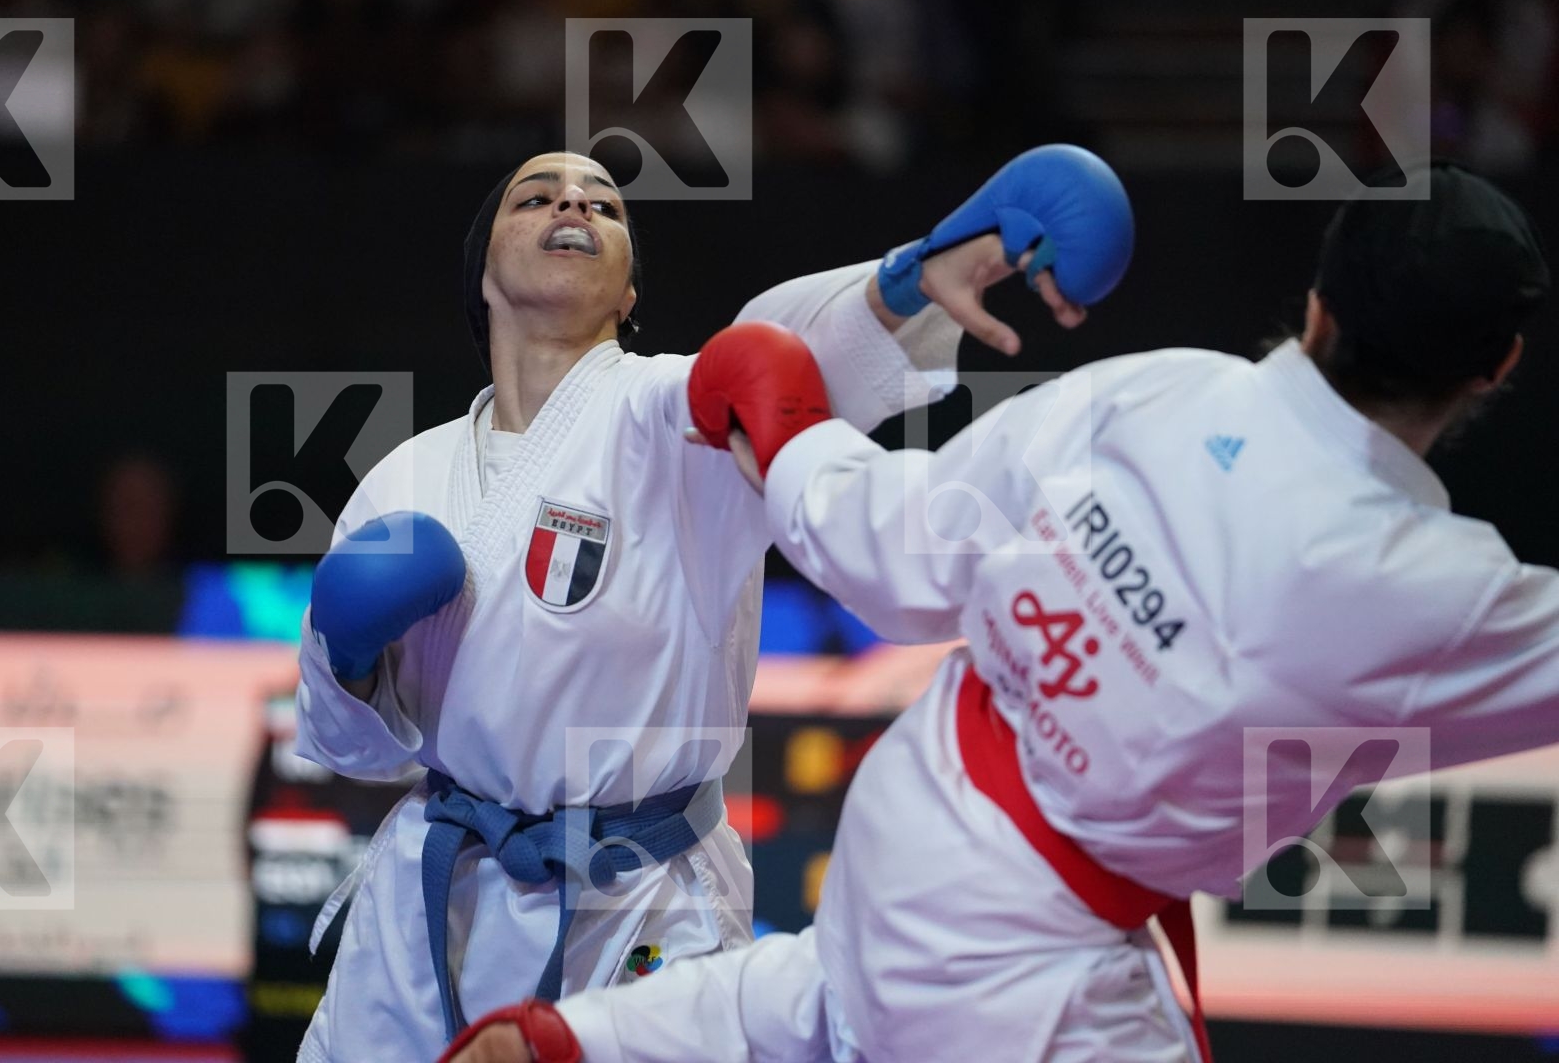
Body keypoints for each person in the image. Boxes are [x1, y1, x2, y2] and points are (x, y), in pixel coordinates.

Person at [443, 160, 1559, 1063]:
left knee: (843, 1003)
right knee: (877, 1001)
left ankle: (586, 1039)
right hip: (1025, 966)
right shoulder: (1446, 597)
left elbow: (888, 554)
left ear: (1317, 302)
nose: (570, 210)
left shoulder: (1164, 388)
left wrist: (787, 428)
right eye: (537, 195)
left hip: (906, 834)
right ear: (1498, 367)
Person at [293, 146, 1129, 1062]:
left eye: (604, 206)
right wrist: (347, 656)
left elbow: (776, 362)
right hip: (434, 900)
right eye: (536, 197)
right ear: (483, 276)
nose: (573, 202)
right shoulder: (406, 476)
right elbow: (354, 750)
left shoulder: (670, 422)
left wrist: (915, 277)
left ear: (628, 299)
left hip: (639, 902)